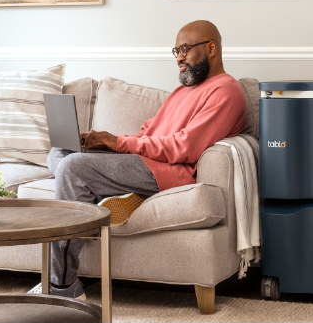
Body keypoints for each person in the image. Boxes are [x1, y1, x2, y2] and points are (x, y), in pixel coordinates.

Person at [41, 20, 247, 299]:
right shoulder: (182, 91)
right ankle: (106, 192)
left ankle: (63, 286)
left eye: (184, 49)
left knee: (71, 167)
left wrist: (120, 144)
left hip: (166, 171)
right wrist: (108, 142)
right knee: (60, 152)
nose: (179, 58)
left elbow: (185, 147)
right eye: (175, 51)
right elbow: (148, 132)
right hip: (142, 160)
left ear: (211, 48)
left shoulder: (226, 90)